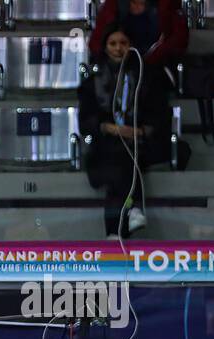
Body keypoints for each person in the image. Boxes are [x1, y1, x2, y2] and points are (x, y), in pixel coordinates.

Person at [79, 23, 172, 238]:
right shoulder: (91, 83)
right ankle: (133, 208)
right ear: (105, 47)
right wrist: (110, 128)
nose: (118, 48)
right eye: (113, 43)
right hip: (107, 144)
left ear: (131, 47)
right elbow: (85, 122)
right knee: (120, 159)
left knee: (121, 162)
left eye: (123, 43)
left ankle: (113, 233)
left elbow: (161, 116)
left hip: (142, 142)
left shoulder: (147, 78)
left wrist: (139, 131)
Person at [89, 0, 188, 70]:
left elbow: (179, 40)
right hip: (117, 71)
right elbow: (96, 42)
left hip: (156, 70)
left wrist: (152, 58)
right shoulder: (113, 5)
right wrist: (112, 53)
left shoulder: (167, 5)